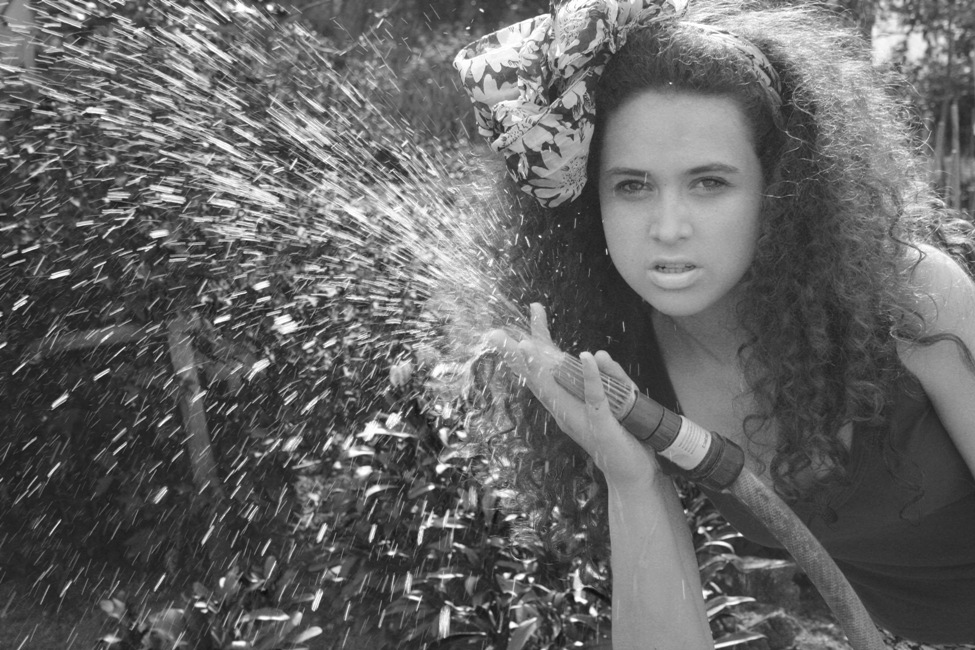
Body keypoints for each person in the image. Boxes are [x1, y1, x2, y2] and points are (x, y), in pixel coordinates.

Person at [452, 0, 975, 648]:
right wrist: (631, 477)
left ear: (780, 188)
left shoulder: (908, 301)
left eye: (708, 183)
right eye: (632, 185)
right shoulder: (620, 361)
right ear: (590, 203)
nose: (668, 227)